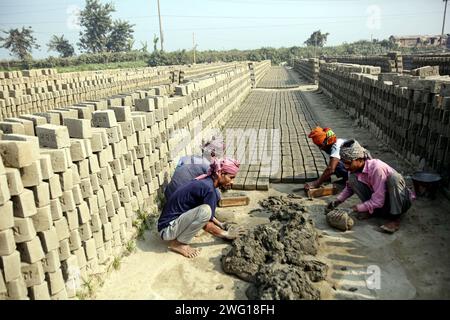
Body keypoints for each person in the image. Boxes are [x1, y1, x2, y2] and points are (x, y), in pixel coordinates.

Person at [157, 158, 244, 258]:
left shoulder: (205, 181)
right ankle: (178, 244)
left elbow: (207, 216)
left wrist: (220, 224)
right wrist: (226, 234)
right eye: (231, 177)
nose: (232, 182)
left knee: (204, 211)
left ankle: (179, 238)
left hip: (166, 225)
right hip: (167, 230)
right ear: (220, 174)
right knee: (205, 211)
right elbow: (207, 222)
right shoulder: (209, 190)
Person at [326, 139, 412, 234]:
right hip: (383, 202)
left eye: (348, 163)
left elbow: (378, 201)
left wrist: (353, 208)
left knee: (394, 178)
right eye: (344, 162)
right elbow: (349, 187)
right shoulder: (353, 169)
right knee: (352, 179)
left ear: (359, 159)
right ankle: (374, 211)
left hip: (399, 201)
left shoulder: (376, 168)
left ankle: (395, 218)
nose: (346, 166)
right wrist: (337, 201)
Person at [305, 126, 349, 190]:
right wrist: (325, 177)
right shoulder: (336, 142)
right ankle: (347, 178)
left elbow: (331, 169)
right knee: (333, 162)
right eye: (318, 146)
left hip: (360, 171)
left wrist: (316, 183)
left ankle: (349, 180)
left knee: (336, 164)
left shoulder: (336, 147)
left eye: (320, 145)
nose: (320, 148)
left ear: (326, 141)